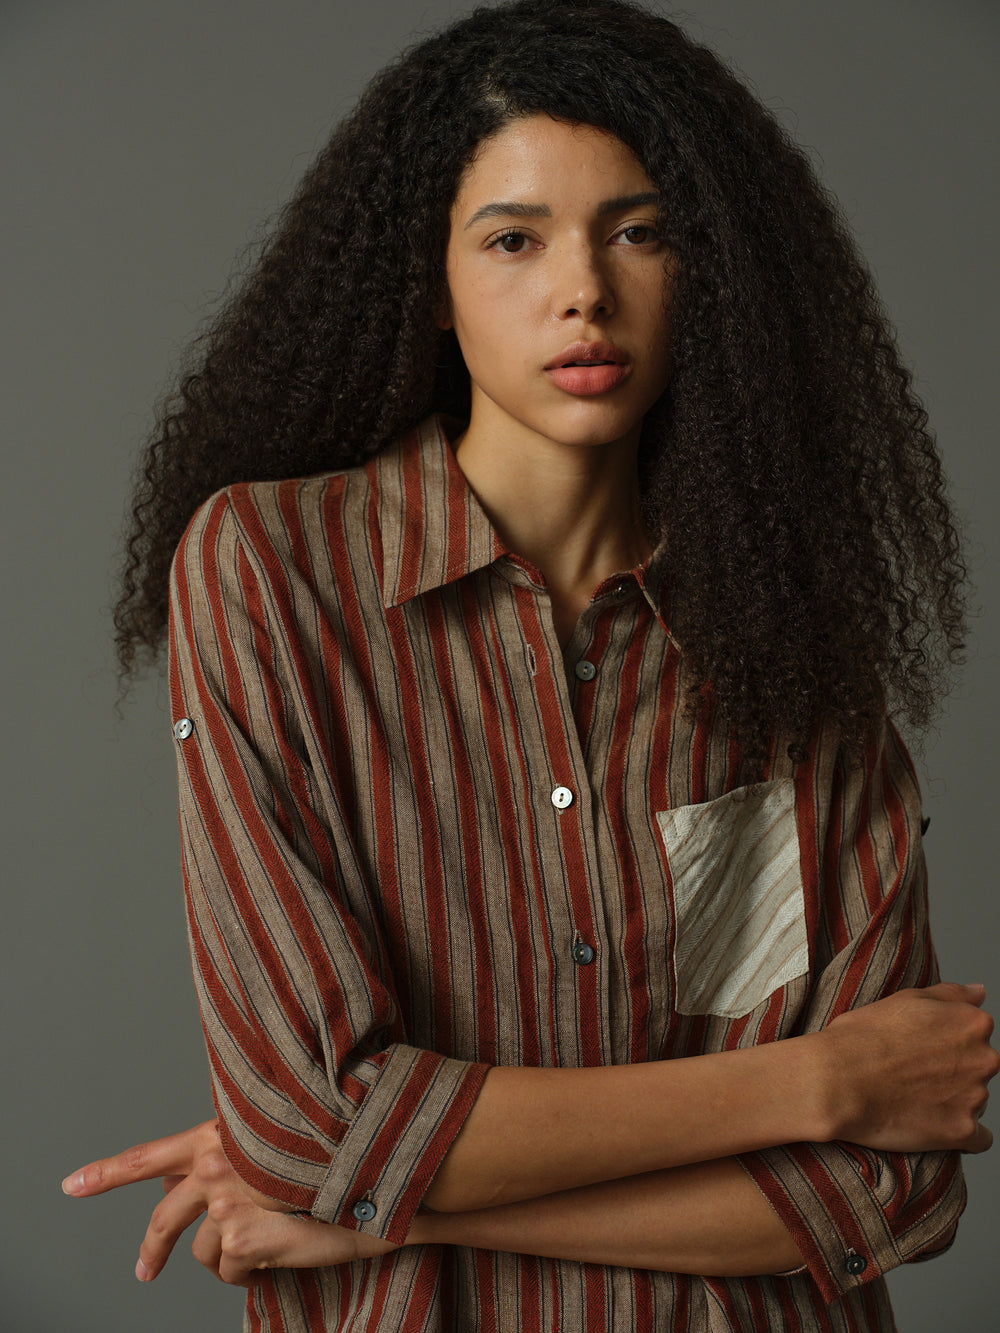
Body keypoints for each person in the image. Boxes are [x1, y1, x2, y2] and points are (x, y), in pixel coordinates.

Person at [61, 1, 997, 1330]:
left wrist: (395, 1196)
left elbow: (889, 1192)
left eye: (642, 230)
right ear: (430, 286)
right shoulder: (272, 572)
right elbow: (315, 1120)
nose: (585, 291)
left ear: (707, 268)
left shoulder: (795, 651)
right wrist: (816, 1082)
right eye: (513, 238)